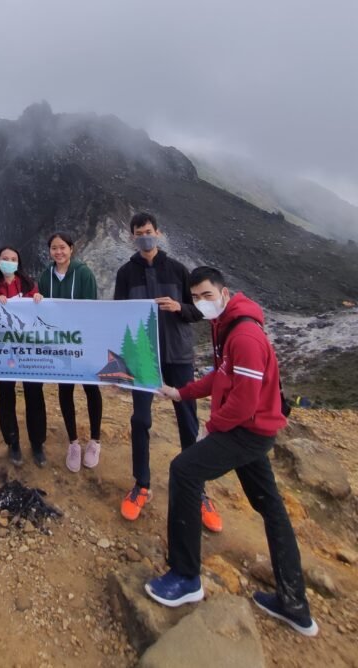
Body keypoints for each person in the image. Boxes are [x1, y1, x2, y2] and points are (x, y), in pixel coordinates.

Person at [145, 267, 318, 638]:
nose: (201, 303)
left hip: (247, 430)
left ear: (225, 293)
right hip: (255, 430)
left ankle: (186, 576)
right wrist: (181, 392)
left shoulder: (244, 335)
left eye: (207, 295)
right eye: (195, 298)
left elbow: (244, 401)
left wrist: (212, 427)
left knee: (185, 471)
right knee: (271, 507)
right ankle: (294, 604)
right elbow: (221, 376)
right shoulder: (226, 326)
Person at [114, 212, 222, 532]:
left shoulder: (177, 270)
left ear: (158, 233)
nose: (144, 237)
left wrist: (180, 307)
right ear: (132, 237)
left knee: (187, 420)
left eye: (148, 231)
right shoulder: (125, 273)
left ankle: (197, 489)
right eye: (138, 233)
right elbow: (117, 313)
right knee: (140, 420)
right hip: (143, 357)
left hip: (178, 355)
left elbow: (199, 311)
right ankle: (141, 484)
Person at [37, 232, 101, 472]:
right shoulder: (45, 277)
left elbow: (91, 308)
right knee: (65, 390)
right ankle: (73, 442)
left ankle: (95, 441)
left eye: (62, 247)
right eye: (54, 248)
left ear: (71, 249)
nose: (58, 252)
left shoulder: (84, 274)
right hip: (59, 344)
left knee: (91, 388)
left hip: (82, 342)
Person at [0, 246, 47, 467]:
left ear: (18, 263)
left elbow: (39, 313)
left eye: (13, 259)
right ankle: (12, 441)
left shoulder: (29, 285)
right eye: (5, 258)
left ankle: (37, 443)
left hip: (28, 349)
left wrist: (39, 299)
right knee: (6, 394)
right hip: (3, 350)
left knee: (34, 394)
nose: (9, 262)